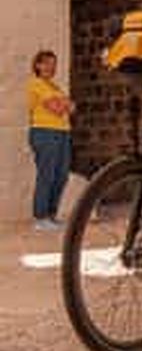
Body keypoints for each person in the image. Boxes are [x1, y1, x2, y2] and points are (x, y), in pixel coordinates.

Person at [27, 49, 74, 230]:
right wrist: (65, 104)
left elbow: (71, 108)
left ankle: (51, 215)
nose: (51, 67)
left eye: (54, 63)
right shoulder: (36, 84)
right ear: (38, 65)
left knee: (61, 175)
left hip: (63, 132)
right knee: (46, 175)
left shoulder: (54, 87)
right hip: (44, 132)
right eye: (46, 63)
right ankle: (40, 218)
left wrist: (64, 104)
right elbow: (58, 109)